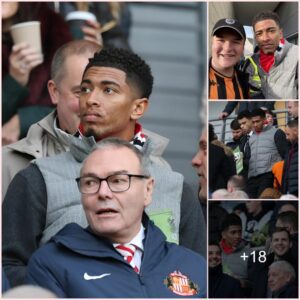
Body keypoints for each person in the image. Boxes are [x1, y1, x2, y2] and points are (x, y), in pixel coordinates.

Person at [3, 48, 204, 287]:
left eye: (108, 90)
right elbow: (7, 268)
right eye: (85, 89)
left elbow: (196, 275)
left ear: (138, 108)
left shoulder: (175, 187)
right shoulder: (37, 179)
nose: (91, 99)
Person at [26, 138, 207, 298]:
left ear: (148, 190)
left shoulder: (192, 265)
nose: (103, 193)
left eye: (118, 180)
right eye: (90, 182)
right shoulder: (51, 264)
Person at [2, 40, 101, 200]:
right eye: (82, 91)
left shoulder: (148, 156)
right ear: (54, 92)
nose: (94, 102)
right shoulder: (9, 164)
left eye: (108, 90)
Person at [2, 2, 72, 145]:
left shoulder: (52, 26)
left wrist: (22, 120)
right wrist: (15, 81)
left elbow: (75, 105)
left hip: (47, 147)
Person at [244, 11, 298, 99]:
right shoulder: (252, 61)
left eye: (271, 31)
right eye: (259, 33)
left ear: (280, 33)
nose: (265, 38)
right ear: (256, 37)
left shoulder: (296, 56)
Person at [245, 108, 287, 198]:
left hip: (269, 175)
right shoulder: (250, 137)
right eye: (253, 122)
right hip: (252, 177)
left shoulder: (277, 132)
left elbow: (285, 154)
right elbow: (248, 158)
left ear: (264, 120)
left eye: (257, 121)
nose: (255, 124)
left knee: (263, 201)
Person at [248, 228, 296, 297]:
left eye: (284, 240)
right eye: (276, 240)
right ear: (271, 244)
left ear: (290, 244)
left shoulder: (297, 266)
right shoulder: (260, 265)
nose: (280, 243)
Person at [208, 18, 249, 99]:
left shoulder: (245, 82)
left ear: (243, 48)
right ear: (212, 43)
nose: (227, 48)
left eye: (235, 42)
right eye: (221, 40)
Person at [219, 213, 251, 289]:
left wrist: (240, 283)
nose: (237, 236)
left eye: (239, 232)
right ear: (223, 234)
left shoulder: (250, 254)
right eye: (233, 232)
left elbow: (255, 285)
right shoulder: (214, 252)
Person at [281, 119, 298, 197]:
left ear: (295, 131)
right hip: (290, 190)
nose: (286, 137)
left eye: (288, 134)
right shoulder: (290, 148)